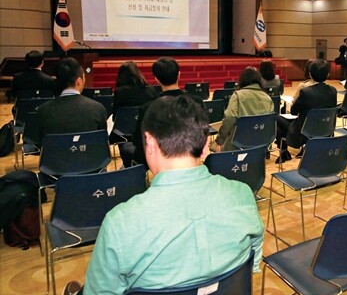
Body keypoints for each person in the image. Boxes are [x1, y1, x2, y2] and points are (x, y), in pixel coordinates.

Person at [63, 96, 264, 295]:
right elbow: (252, 262)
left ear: (149, 143)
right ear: (204, 148)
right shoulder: (243, 195)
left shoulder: (120, 222)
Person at [130, 57, 204, 168]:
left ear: (156, 79)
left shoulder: (148, 107)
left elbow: (140, 141)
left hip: (161, 162)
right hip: (191, 158)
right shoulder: (197, 102)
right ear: (179, 75)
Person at [276, 59, 337, 163]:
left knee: (277, 118)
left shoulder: (306, 92)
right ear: (327, 75)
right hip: (325, 128)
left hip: (304, 132)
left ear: (310, 74)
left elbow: (294, 111)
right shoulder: (333, 91)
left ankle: (284, 151)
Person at [37, 57, 106, 139]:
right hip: (88, 151)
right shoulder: (98, 109)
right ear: (79, 81)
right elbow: (102, 142)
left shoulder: (43, 111)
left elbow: (40, 144)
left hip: (56, 151)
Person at [213, 66, 275, 152]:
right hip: (260, 143)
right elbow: (270, 123)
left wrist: (220, 140)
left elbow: (229, 118)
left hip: (237, 143)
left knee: (214, 147)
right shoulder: (268, 98)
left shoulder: (238, 96)